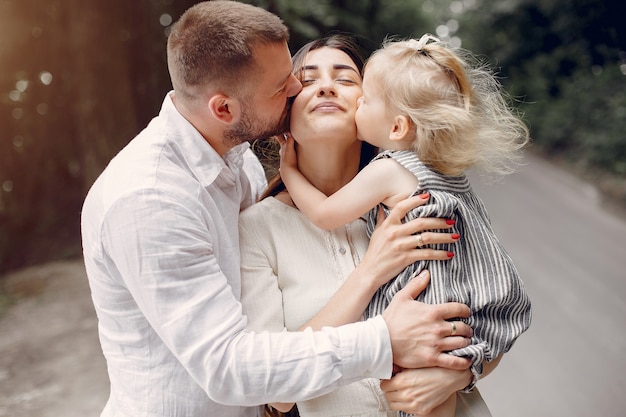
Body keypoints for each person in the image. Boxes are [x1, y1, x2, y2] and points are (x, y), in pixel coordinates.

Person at [80, 2, 474, 416]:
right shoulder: (151, 198)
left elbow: (489, 305)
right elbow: (234, 369)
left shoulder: (242, 165)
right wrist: (382, 329)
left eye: (345, 79)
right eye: (290, 84)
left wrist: (462, 371)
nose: (298, 90)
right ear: (224, 110)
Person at [240, 35, 501, 417]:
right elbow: (275, 393)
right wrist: (370, 271)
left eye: (346, 79)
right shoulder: (258, 229)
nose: (327, 86)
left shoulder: (418, 202)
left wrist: (458, 376)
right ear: (284, 118)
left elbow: (491, 314)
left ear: (383, 113)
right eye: (308, 80)